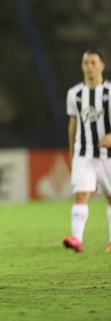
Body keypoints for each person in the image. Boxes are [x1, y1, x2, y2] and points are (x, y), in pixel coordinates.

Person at [63, 49, 111, 253]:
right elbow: (73, 126)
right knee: (81, 194)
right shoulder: (74, 94)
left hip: (107, 157)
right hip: (84, 155)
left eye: (93, 62)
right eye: (86, 63)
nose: (89, 66)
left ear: (101, 66)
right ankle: (76, 238)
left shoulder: (110, 92)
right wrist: (72, 154)